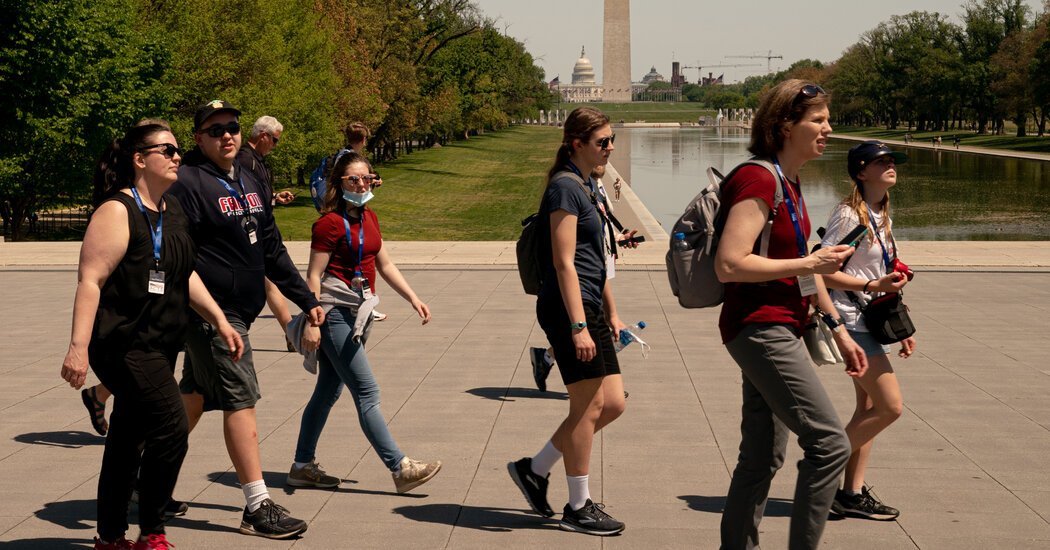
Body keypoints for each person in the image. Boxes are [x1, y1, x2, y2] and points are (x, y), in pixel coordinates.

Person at [60, 123, 244, 550]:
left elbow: (183, 272)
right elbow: (90, 280)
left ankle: (110, 537)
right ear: (140, 159)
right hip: (121, 343)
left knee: (127, 436)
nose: (178, 156)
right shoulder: (117, 210)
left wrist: (219, 319)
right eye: (168, 150)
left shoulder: (171, 208)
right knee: (171, 425)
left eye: (178, 150)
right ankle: (152, 531)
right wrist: (77, 348)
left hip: (162, 342)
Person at [712, 79, 869, 550]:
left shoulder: (789, 181)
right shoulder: (758, 179)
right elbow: (730, 262)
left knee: (762, 456)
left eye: (826, 119)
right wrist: (809, 262)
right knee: (829, 444)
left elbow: (806, 271)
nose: (828, 128)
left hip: (782, 324)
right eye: (817, 121)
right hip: (760, 327)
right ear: (785, 126)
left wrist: (838, 329)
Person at [168, 100, 324, 539]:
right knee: (241, 399)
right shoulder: (188, 183)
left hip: (241, 310)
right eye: (215, 130)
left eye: (232, 127)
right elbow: (183, 259)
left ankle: (145, 479)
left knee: (194, 397)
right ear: (198, 138)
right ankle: (257, 506)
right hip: (213, 315)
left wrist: (304, 297)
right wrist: (215, 316)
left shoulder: (251, 176)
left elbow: (271, 247)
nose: (227, 135)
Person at [286, 150, 442, 493]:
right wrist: (314, 321)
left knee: (328, 390)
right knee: (367, 391)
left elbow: (384, 264)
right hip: (333, 312)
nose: (361, 184)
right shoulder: (327, 223)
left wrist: (413, 298)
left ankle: (301, 466)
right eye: (353, 179)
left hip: (358, 311)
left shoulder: (369, 218)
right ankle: (400, 468)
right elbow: (313, 276)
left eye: (366, 178)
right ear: (338, 183)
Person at [509, 106, 628, 536]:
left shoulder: (585, 185)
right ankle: (578, 506)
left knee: (612, 403)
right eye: (602, 142)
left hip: (589, 304)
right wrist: (578, 326)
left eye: (612, 140)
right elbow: (564, 264)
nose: (610, 147)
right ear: (577, 144)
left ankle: (535, 469)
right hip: (567, 307)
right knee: (588, 406)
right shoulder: (565, 189)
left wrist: (609, 310)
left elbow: (597, 258)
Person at [820, 140, 915, 521]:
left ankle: (850, 493)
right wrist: (874, 288)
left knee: (871, 409)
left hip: (873, 319)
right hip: (852, 320)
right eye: (882, 162)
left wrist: (900, 321)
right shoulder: (849, 217)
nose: (891, 166)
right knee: (891, 407)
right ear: (861, 172)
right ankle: (820, 467)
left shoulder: (880, 214)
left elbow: (877, 273)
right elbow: (822, 271)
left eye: (892, 161)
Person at [237, 116, 295, 349]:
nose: (275, 145)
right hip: (250, 231)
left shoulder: (256, 160)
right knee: (268, 281)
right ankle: (290, 331)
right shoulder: (244, 159)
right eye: (275, 140)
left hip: (259, 228)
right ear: (263, 136)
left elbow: (256, 196)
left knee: (268, 282)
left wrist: (274, 198)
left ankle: (290, 331)